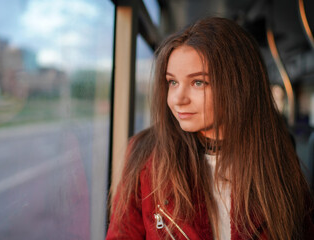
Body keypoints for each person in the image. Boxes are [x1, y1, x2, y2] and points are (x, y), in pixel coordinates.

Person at [106, 17, 313, 240]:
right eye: (172, 82)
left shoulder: (277, 155)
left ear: (238, 85)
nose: (177, 99)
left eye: (198, 82)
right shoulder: (146, 155)